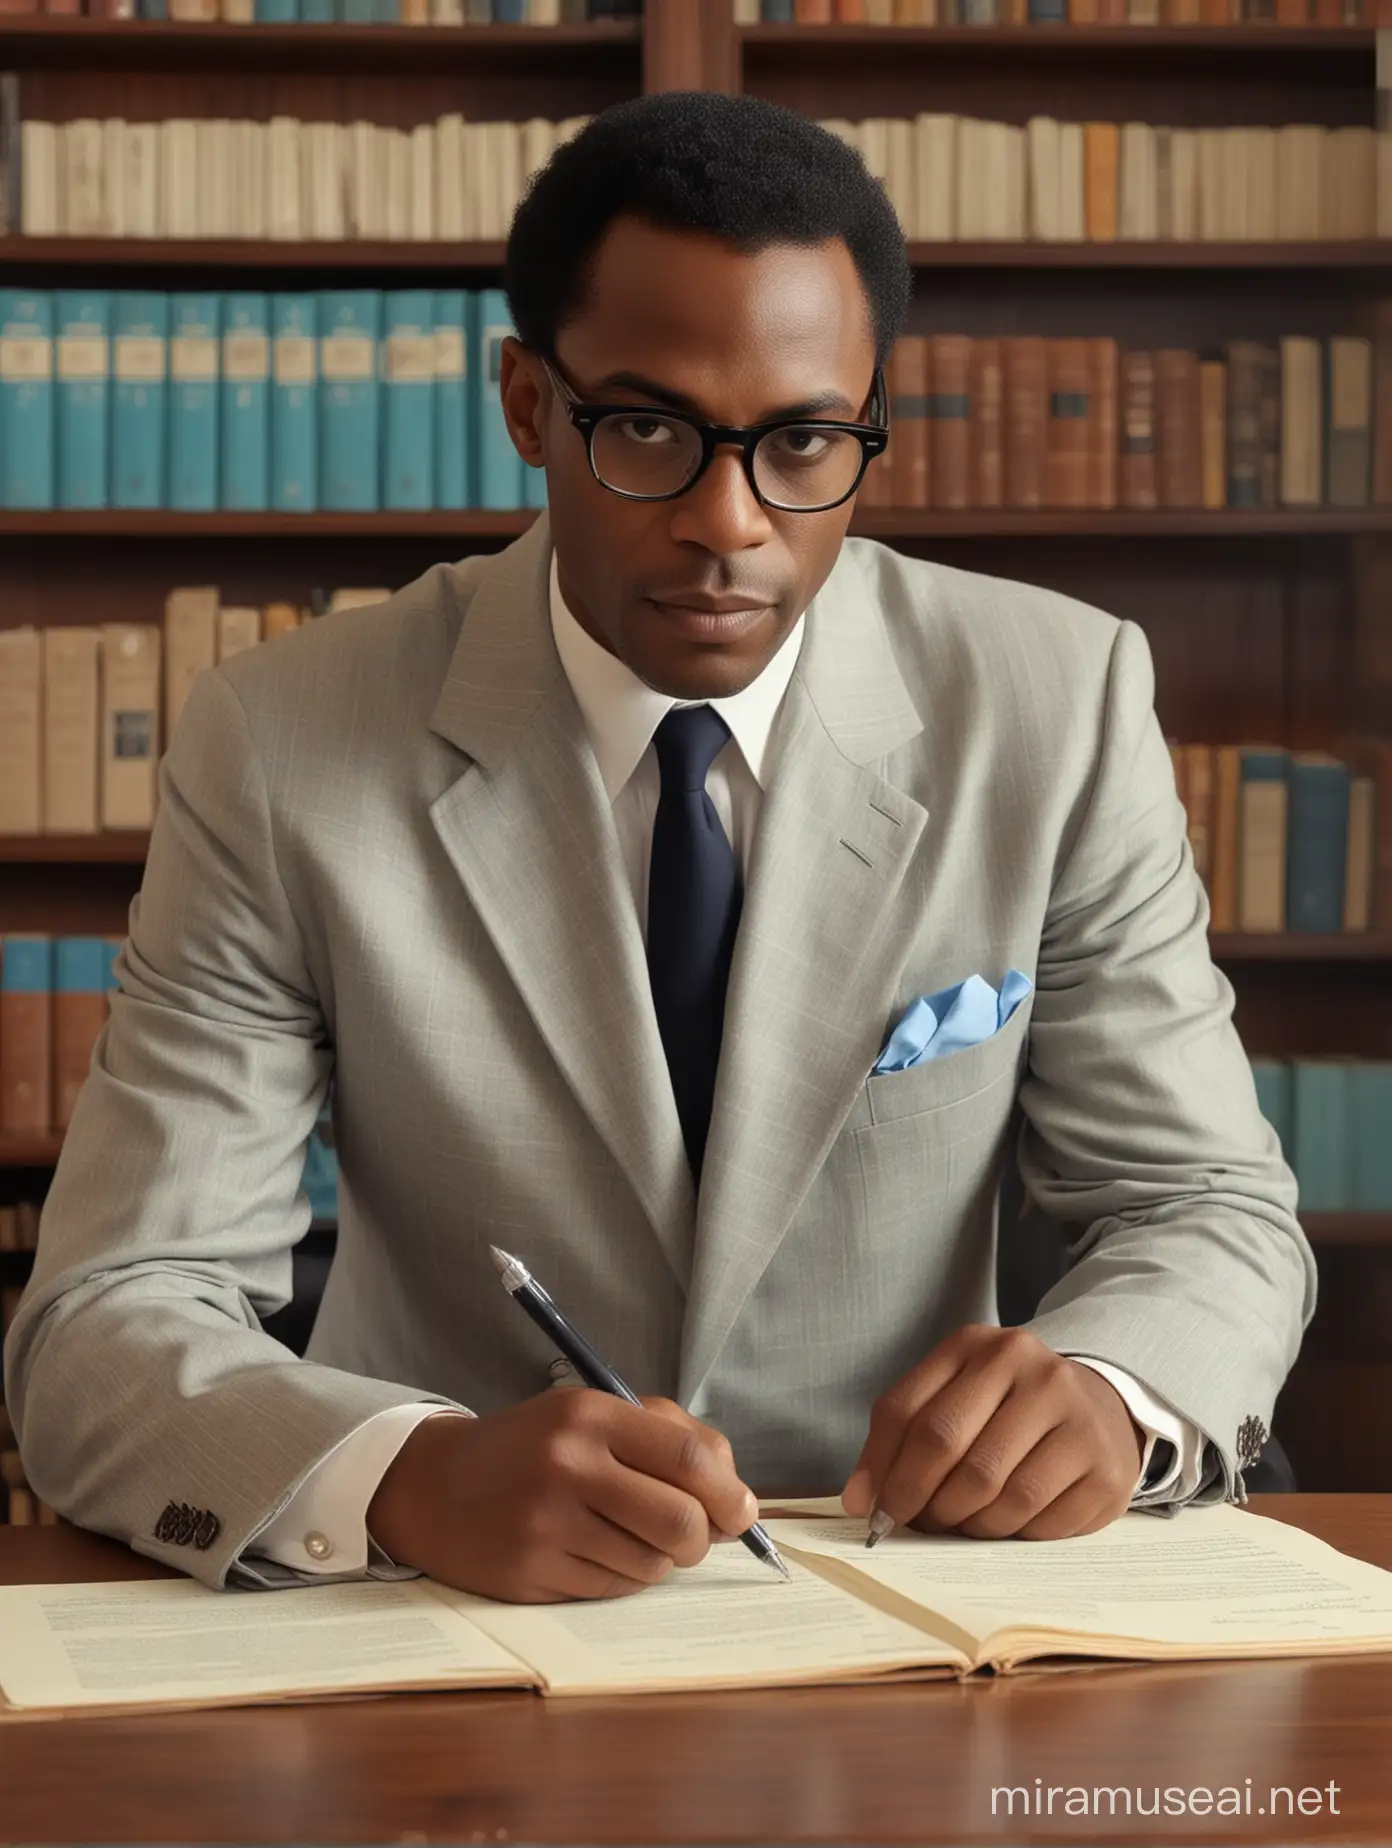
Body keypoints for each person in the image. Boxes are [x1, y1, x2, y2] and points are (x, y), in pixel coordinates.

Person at [5, 91, 1313, 1605]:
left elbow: (1204, 1205)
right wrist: (405, 1475)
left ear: (869, 417)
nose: (729, 523)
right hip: (456, 1624)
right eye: (647, 429)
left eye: (806, 442)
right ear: (525, 406)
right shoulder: (282, 743)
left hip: (923, 1594)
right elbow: (104, 1318)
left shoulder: (1057, 704)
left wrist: (1110, 1390)